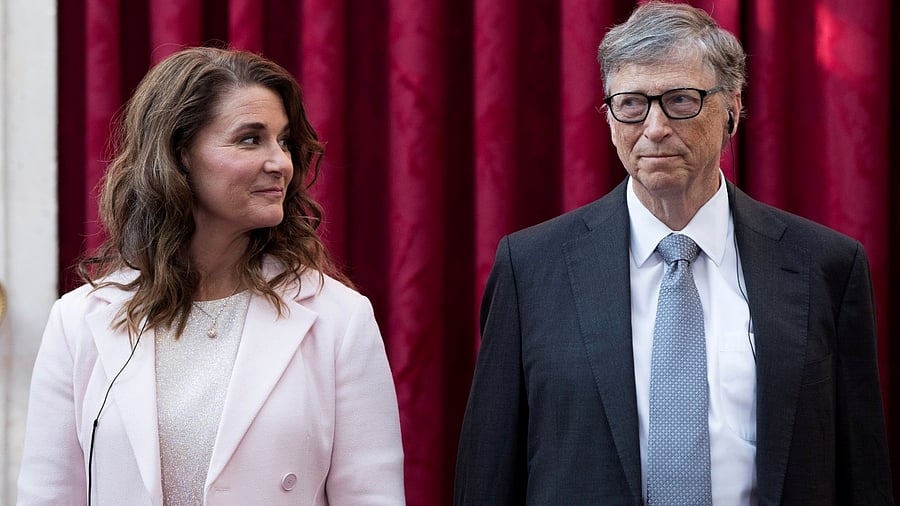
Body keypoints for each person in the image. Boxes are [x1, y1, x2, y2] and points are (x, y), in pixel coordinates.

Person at [454, 2, 892, 505]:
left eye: (680, 100)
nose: (655, 127)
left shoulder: (826, 267)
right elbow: (488, 477)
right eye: (631, 104)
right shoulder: (530, 268)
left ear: (732, 109)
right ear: (609, 117)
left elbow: (862, 475)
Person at [18, 47, 405, 505]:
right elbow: (48, 495)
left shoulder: (340, 319)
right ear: (179, 154)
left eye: (283, 141)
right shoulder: (78, 321)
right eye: (250, 139)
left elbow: (371, 495)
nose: (280, 162)